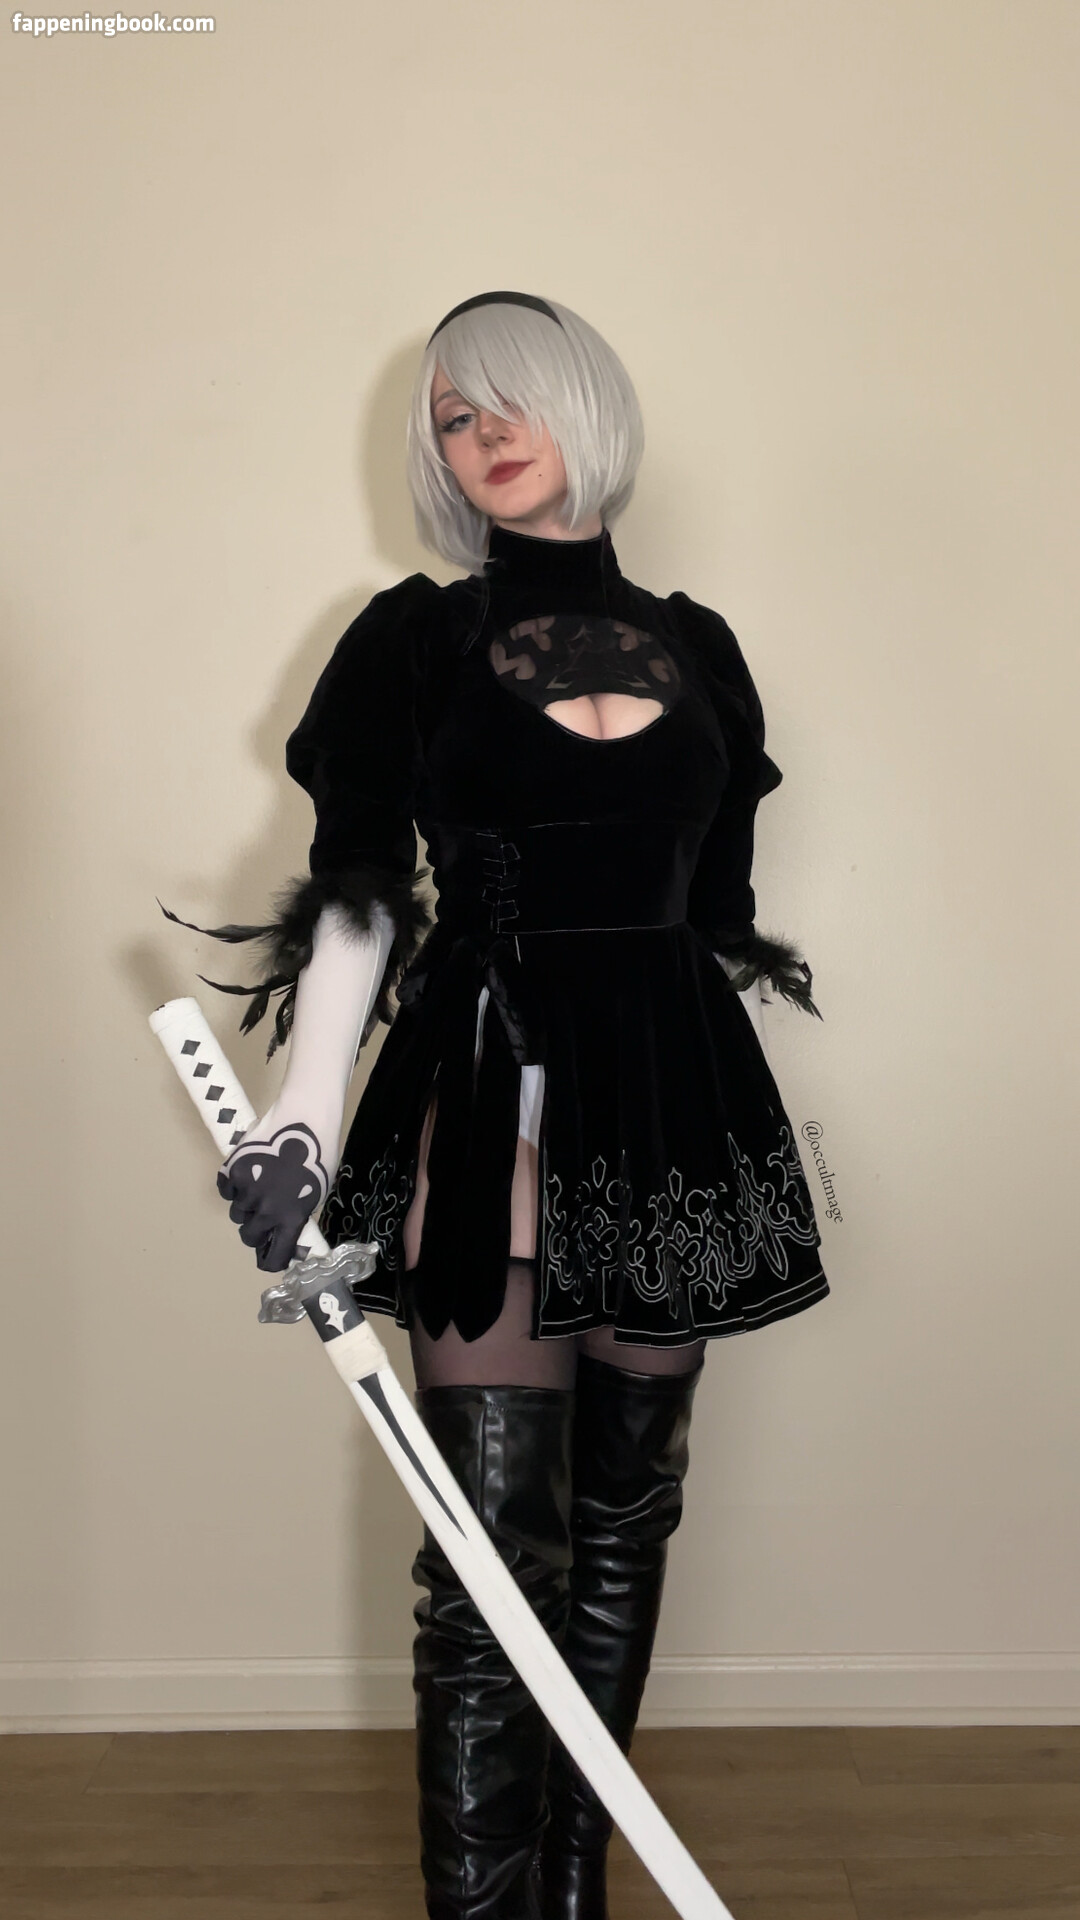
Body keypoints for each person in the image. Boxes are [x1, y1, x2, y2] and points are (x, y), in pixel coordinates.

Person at [176, 291, 829, 1920]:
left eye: (507, 399)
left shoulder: (701, 648)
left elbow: (715, 911)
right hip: (492, 1090)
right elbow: (358, 890)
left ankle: (572, 1885)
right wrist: (302, 1112)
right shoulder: (411, 638)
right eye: (453, 419)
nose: (482, 435)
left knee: (627, 1522)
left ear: (583, 403)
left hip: (666, 1102)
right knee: (484, 1559)